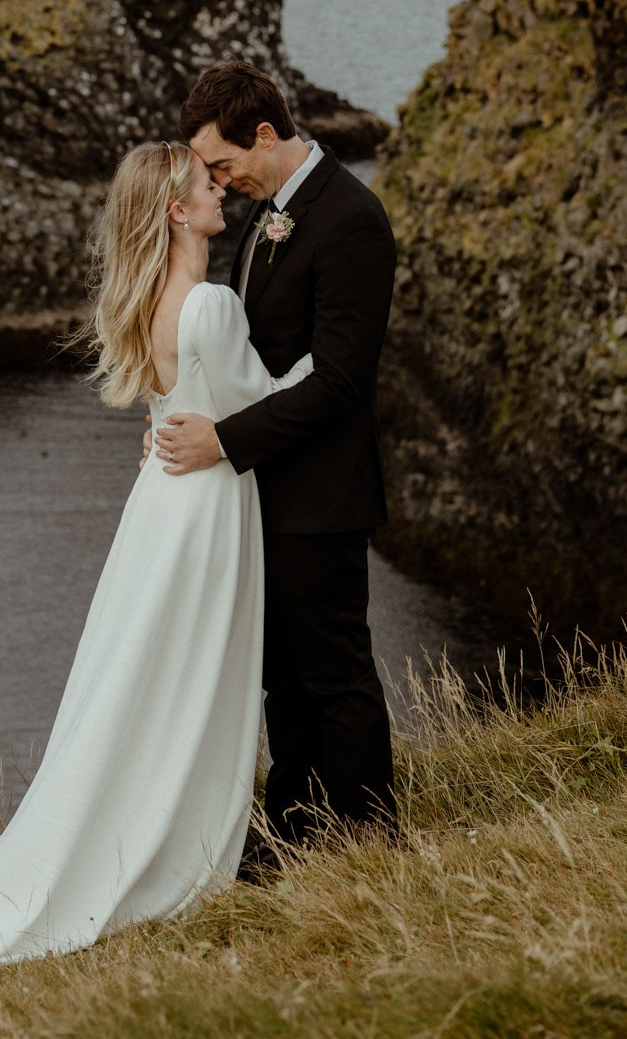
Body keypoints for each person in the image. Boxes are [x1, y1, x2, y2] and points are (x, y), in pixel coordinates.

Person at [0, 140, 310, 991]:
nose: (220, 191)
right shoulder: (206, 303)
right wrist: (330, 362)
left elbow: (187, 401)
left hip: (164, 502)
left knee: (146, 674)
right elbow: (265, 399)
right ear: (176, 210)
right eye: (206, 185)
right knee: (194, 676)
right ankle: (178, 841)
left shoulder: (158, 299)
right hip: (204, 506)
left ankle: (139, 820)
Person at [154, 61, 399, 861]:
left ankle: (368, 835)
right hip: (265, 488)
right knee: (282, 678)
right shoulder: (265, 217)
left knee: (335, 672)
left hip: (324, 492)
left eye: (223, 164)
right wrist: (188, 412)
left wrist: (223, 441)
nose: (219, 182)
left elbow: (339, 380)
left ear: (265, 134)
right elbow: (246, 357)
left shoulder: (351, 218)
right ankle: (295, 830)